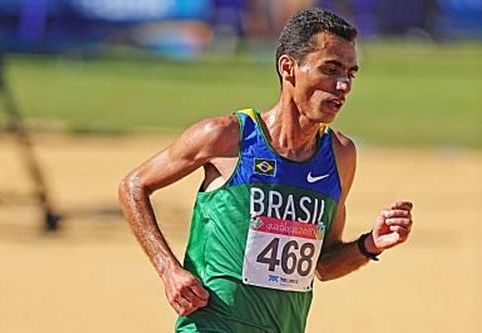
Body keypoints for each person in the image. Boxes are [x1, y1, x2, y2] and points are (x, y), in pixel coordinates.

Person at [118, 8, 414, 333]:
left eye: (350, 73)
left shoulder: (340, 155)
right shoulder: (227, 137)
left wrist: (370, 244)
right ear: (289, 68)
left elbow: (324, 264)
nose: (343, 85)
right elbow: (133, 186)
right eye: (330, 69)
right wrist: (168, 270)